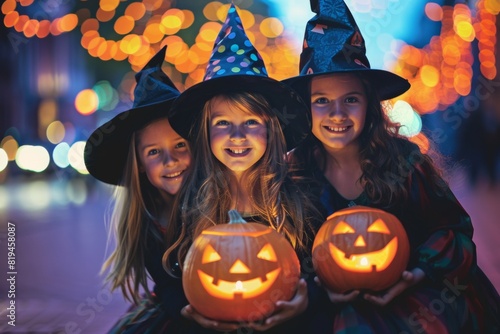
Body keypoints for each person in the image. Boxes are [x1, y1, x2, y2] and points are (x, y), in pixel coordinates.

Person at [284, 0, 500, 333]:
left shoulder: (405, 162)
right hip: (327, 301)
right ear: (306, 108)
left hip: (413, 293)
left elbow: (453, 231)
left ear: (370, 105)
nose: (337, 114)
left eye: (351, 99)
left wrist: (417, 272)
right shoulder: (294, 171)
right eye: (322, 101)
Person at [162, 4, 323, 333]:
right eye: (223, 123)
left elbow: (323, 275)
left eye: (251, 122)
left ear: (271, 130)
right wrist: (188, 310)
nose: (237, 136)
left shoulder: (299, 199)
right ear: (206, 132)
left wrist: (307, 300)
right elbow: (171, 280)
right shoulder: (191, 201)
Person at [84, 46, 192, 333]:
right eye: (154, 152)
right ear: (141, 164)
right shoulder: (145, 220)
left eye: (180, 145)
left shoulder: (214, 201)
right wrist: (187, 312)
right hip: (176, 306)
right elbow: (168, 286)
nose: (171, 161)